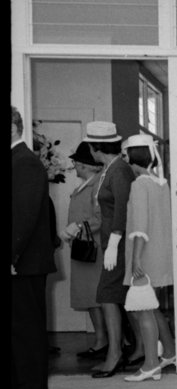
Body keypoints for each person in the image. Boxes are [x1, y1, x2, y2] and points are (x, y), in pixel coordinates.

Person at [85, 121, 141, 378]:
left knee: (107, 296)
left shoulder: (119, 170)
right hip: (113, 242)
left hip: (119, 243)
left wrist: (115, 242)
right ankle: (138, 348)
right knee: (120, 296)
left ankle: (115, 354)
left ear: (97, 147)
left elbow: (122, 208)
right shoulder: (113, 168)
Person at [11, 106, 56, 389]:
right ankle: (20, 388)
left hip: (23, 262)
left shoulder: (24, 162)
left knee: (27, 329)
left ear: (13, 128)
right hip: (21, 261)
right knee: (18, 328)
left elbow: (22, 216)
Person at [121, 134, 176, 382]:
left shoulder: (140, 184)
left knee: (143, 309)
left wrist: (136, 259)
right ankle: (170, 352)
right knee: (152, 307)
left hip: (145, 254)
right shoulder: (161, 184)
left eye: (126, 155)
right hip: (161, 253)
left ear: (133, 157)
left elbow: (140, 224)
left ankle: (151, 363)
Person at [61, 141, 108, 361]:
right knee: (90, 298)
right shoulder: (87, 185)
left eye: (77, 163)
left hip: (92, 249)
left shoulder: (96, 186)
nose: (75, 167)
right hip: (84, 248)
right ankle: (102, 339)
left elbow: (100, 218)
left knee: (94, 297)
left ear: (84, 165)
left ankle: (104, 341)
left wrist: (76, 228)